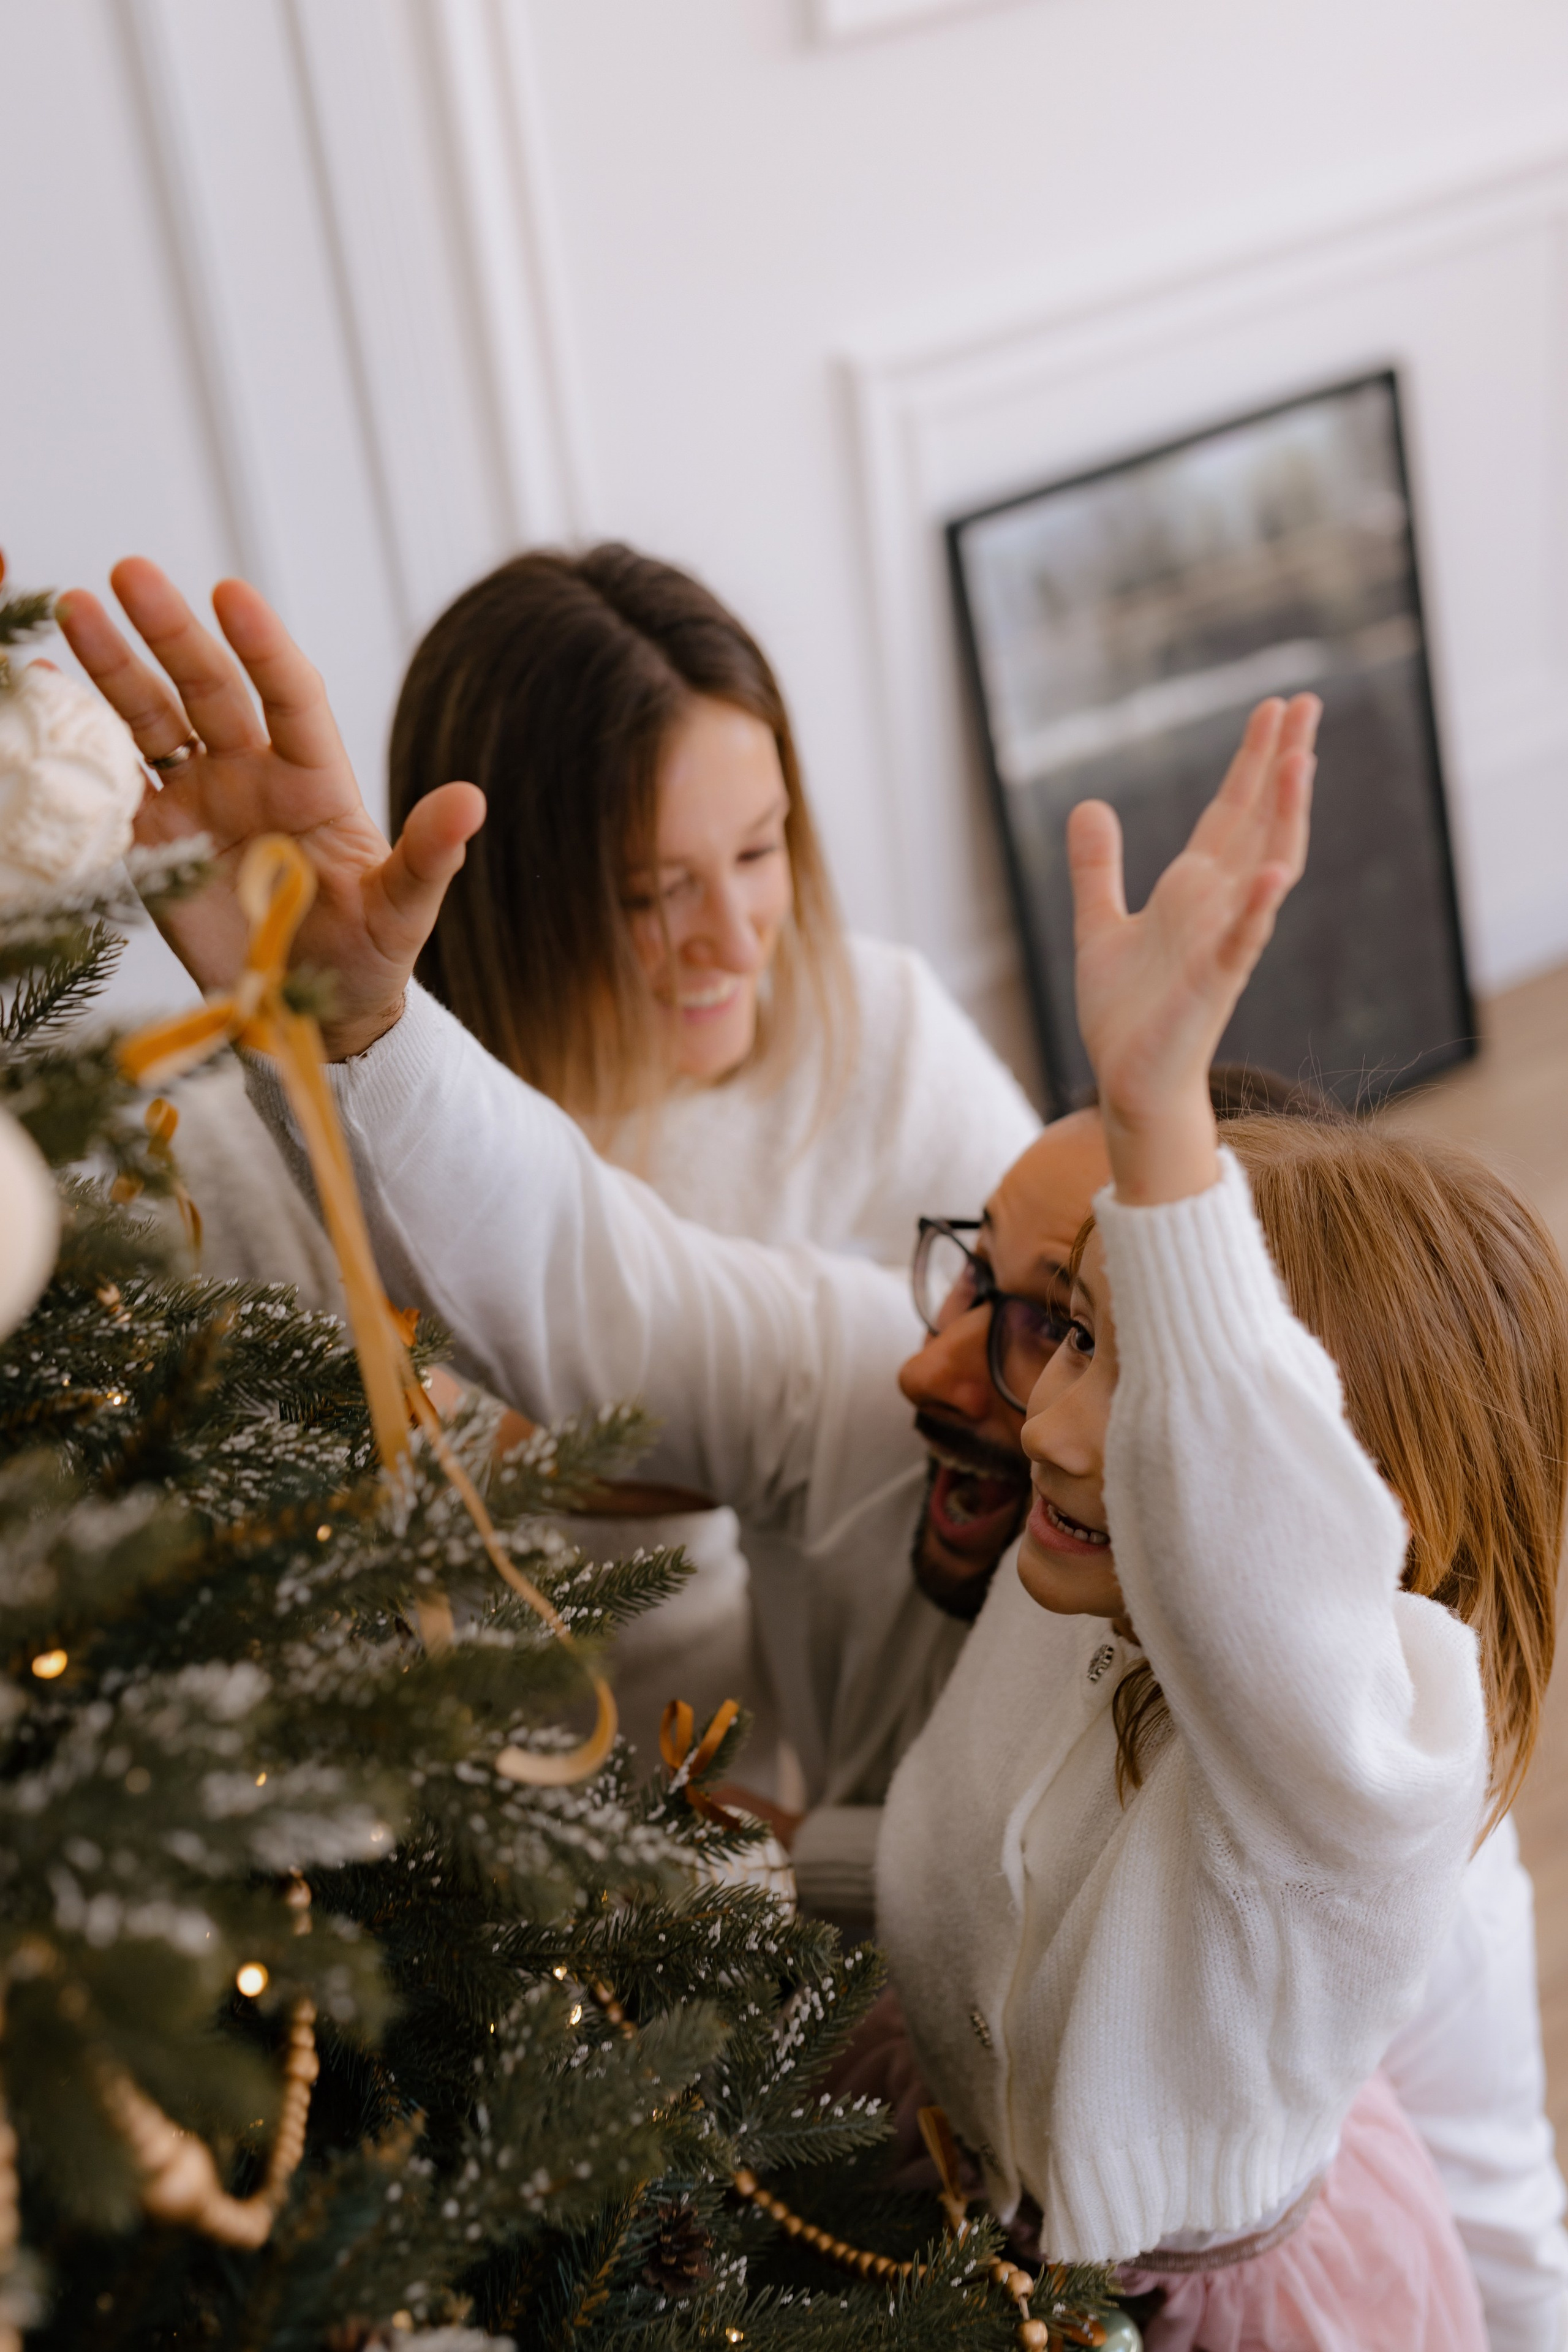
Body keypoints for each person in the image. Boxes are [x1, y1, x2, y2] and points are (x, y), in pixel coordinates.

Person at [57, 567, 1568, 2345]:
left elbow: (1494, 2181)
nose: (952, 1369)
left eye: (1079, 1334)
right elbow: (601, 1280)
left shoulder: (1369, 1760)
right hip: (946, 2174)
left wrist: (1163, 1121)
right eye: (979, 1280)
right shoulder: (921, 1420)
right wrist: (351, 1016)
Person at [876, 703, 1564, 2341]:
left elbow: (1249, 1542)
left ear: (1351, 1511)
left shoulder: (1365, 1773)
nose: (1044, 1422)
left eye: (1136, 1379)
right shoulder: (1072, 1595)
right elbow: (1001, 1898)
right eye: (1075, 1334)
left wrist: (1160, 1121)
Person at [157, 546, 1042, 1776]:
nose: (735, 940)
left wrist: (751, 1438)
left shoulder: (869, 1027)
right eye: (652, 893)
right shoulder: (257, 1147)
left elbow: (1065, 1354)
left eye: (759, 851)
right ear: (507, 897)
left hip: (769, 1777)